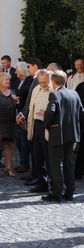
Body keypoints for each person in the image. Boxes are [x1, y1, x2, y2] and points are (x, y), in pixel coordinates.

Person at [43, 70, 83, 202]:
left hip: (57, 134)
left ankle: (57, 192)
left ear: (53, 82)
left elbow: (50, 112)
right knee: (69, 163)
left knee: (56, 164)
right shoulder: (74, 93)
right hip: (71, 134)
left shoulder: (55, 94)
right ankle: (70, 191)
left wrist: (46, 126)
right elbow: (81, 112)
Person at [26, 69, 53, 193]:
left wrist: (46, 113)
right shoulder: (36, 89)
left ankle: (53, 184)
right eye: (40, 82)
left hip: (47, 126)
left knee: (49, 157)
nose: (42, 84)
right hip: (36, 124)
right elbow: (31, 107)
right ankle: (42, 182)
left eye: (45, 82)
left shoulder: (53, 91)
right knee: (37, 156)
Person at [0, 73, 18, 177]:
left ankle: (8, 166)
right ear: (0, 81)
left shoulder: (12, 92)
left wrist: (16, 100)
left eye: (8, 80)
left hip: (10, 122)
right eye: (6, 80)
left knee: (9, 145)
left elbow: (17, 107)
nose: (8, 81)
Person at [12, 62, 33, 174]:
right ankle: (22, 162)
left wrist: (18, 95)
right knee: (19, 141)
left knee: (24, 140)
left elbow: (21, 92)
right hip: (17, 113)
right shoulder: (17, 81)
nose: (15, 72)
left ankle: (24, 164)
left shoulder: (30, 81)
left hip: (25, 114)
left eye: (17, 70)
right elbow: (14, 91)